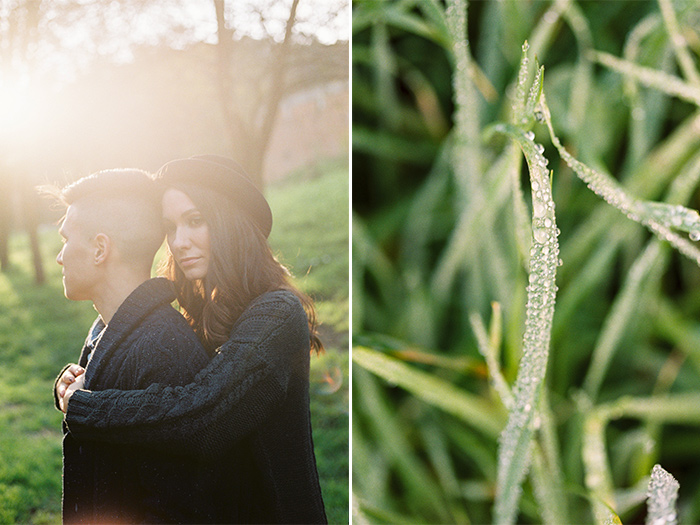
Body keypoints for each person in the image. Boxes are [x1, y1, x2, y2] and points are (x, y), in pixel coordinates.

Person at [56, 155, 327, 524]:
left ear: (229, 222)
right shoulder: (194, 310)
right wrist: (76, 385)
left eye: (195, 221)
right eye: (170, 227)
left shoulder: (277, 313)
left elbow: (205, 415)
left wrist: (84, 406)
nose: (179, 242)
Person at [48, 169, 213, 523]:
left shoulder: (164, 349)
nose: (59, 257)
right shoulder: (105, 329)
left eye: (65, 239)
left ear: (100, 249)